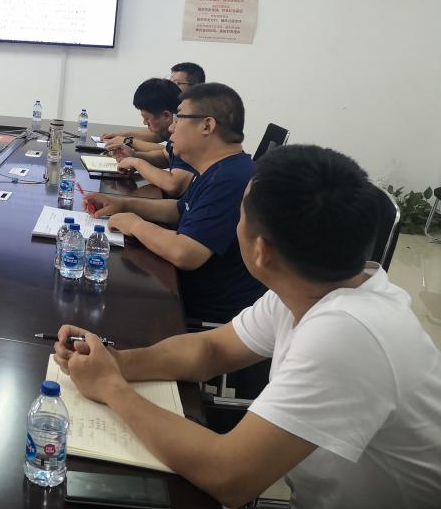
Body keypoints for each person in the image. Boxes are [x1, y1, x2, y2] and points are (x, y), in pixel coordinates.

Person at [56, 144, 441, 508]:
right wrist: (118, 362)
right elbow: (212, 350)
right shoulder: (312, 286)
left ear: (261, 251)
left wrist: (112, 388)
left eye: (240, 216)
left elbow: (229, 476)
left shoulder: (346, 334)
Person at [84, 83, 264, 323]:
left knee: (95, 303)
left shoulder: (230, 179)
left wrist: (135, 224)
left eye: (179, 119)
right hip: (183, 291)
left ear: (207, 126)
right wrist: (122, 205)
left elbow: (186, 253)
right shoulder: (219, 168)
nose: (171, 127)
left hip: (204, 313)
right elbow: (179, 209)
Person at [104, 78, 195, 198]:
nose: (144, 123)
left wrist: (136, 162)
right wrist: (134, 155)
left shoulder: (187, 137)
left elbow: (173, 186)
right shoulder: (176, 133)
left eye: (147, 118)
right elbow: (165, 156)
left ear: (166, 116)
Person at [102, 62, 206, 144]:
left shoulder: (196, 117)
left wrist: (127, 141)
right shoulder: (176, 112)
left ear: (196, 87)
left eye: (177, 83)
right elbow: (157, 136)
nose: (171, 85)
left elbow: (168, 152)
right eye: (170, 81)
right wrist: (122, 135)